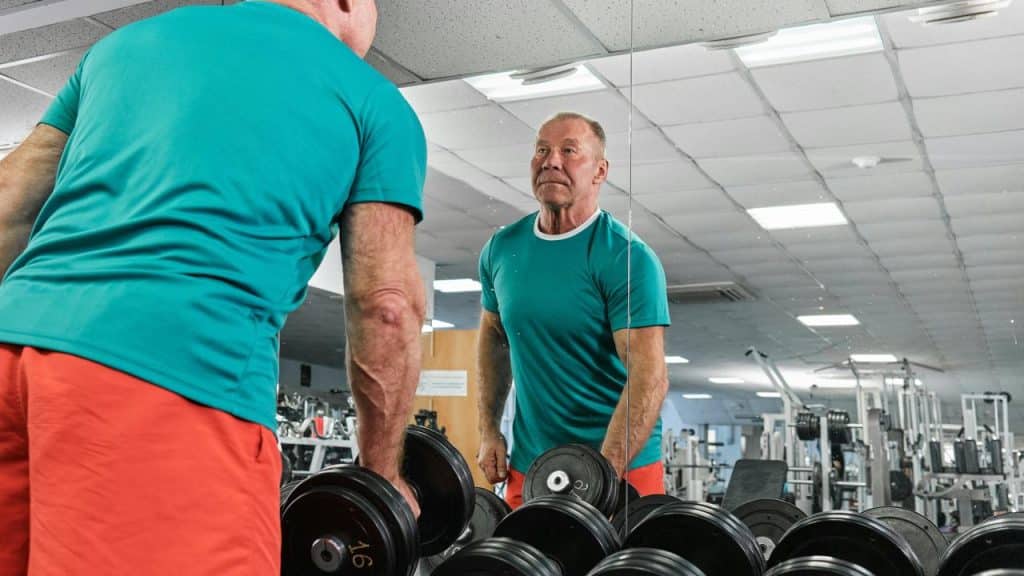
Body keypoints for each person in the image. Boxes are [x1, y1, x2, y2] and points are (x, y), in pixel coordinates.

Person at [0, 1, 426, 574]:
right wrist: (381, 476)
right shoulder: (373, 101)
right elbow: (387, 307)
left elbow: (8, 202)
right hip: (171, 381)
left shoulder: (121, 48)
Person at [476, 112, 671, 508]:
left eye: (569, 151)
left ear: (600, 171)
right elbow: (494, 340)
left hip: (622, 463)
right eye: (542, 150)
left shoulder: (627, 258)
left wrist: (602, 476)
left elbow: (649, 378)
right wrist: (488, 430)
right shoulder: (501, 249)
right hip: (533, 462)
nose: (551, 161)